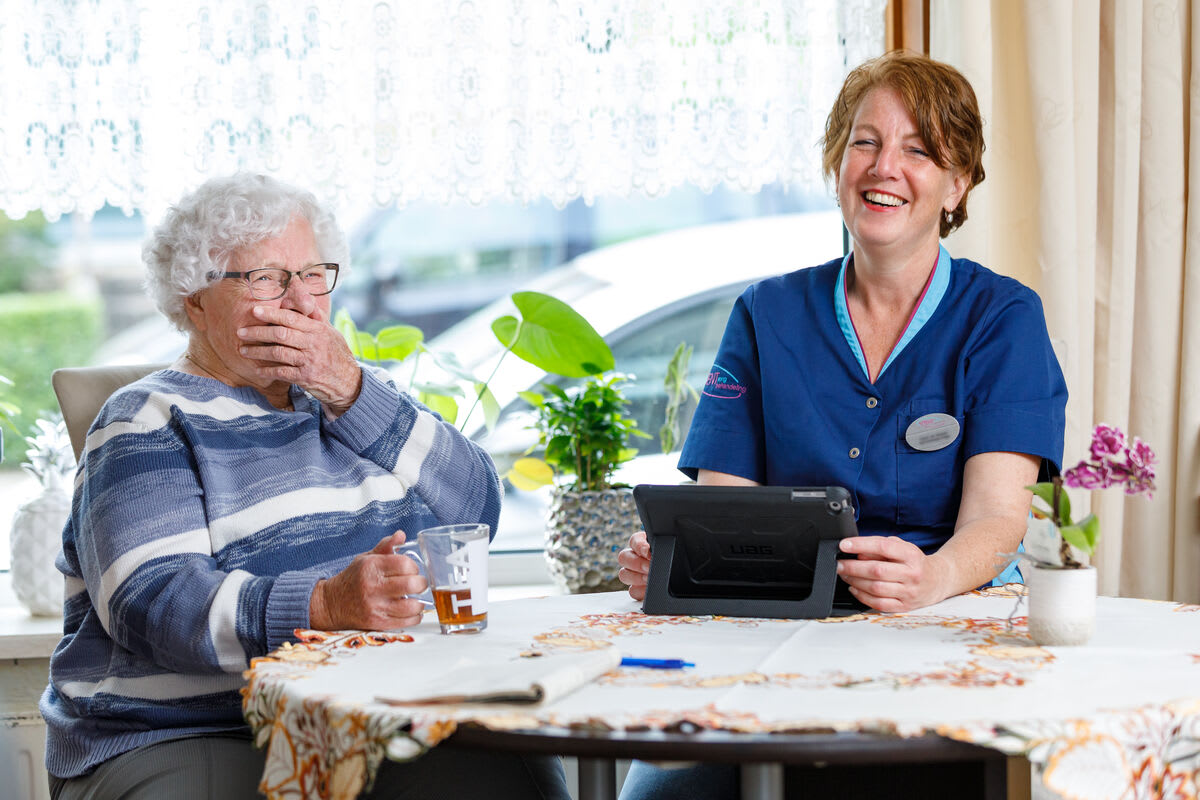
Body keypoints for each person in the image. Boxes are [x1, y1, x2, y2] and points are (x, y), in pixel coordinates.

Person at [615, 50, 1067, 799]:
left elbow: (997, 518)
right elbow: (723, 509)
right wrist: (679, 559)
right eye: (866, 142)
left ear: (957, 185)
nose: (885, 167)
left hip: (940, 635)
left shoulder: (1003, 318)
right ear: (837, 162)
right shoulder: (765, 313)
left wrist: (931, 578)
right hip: (776, 639)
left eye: (918, 151)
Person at [41, 173, 568, 800]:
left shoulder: (357, 395)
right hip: (192, 729)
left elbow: (476, 510)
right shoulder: (145, 419)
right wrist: (321, 606)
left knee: (514, 775)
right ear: (196, 300)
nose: (302, 302)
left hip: (369, 715)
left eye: (313, 274)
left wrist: (350, 391)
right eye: (266, 278)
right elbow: (152, 601)